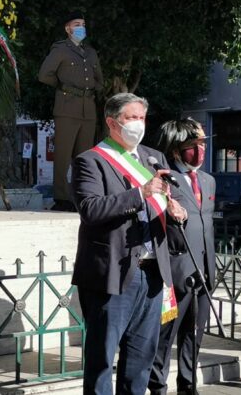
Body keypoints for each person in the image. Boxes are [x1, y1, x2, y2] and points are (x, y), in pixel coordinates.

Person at [70, 92, 188, 395]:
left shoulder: (153, 157)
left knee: (140, 361)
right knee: (101, 360)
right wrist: (140, 193)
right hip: (113, 274)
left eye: (142, 118)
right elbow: (91, 209)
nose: (139, 124)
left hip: (152, 273)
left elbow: (162, 203)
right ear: (112, 122)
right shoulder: (91, 161)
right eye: (131, 118)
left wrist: (176, 213)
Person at [149, 118, 216, 395]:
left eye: (202, 144)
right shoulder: (162, 180)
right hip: (174, 273)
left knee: (194, 336)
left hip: (203, 272)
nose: (199, 151)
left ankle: (188, 386)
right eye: (193, 145)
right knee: (164, 340)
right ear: (176, 151)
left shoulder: (208, 181)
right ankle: (157, 388)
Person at [39, 10, 104, 211]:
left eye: (82, 24)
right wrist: (64, 87)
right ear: (68, 29)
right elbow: (44, 75)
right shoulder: (60, 50)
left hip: (88, 109)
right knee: (63, 154)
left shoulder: (91, 52)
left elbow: (99, 80)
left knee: (84, 157)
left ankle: (82, 195)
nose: (80, 28)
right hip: (67, 107)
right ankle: (61, 197)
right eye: (76, 24)